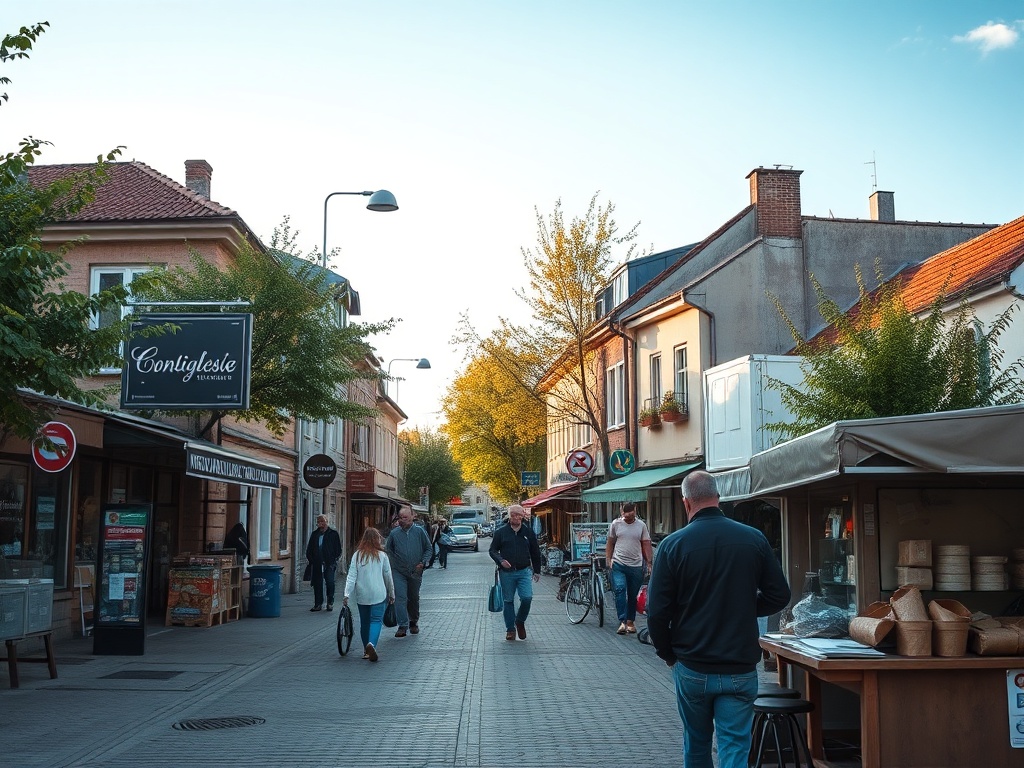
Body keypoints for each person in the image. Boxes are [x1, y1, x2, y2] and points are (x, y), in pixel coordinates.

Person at [647, 471, 791, 768]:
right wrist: (744, 607)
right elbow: (780, 595)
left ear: (685, 502)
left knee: (697, 743)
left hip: (692, 663)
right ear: (719, 498)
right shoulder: (753, 539)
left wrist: (667, 654)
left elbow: (657, 610)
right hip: (739, 664)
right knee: (735, 745)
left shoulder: (672, 546)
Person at [488, 504, 541, 641]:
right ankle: (510, 630)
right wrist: (501, 561)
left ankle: (520, 621)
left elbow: (535, 552)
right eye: (513, 515)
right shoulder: (501, 533)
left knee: (527, 598)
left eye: (518, 515)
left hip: (524, 571)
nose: (516, 517)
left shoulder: (528, 532)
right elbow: (492, 550)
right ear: (509, 516)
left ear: (523, 516)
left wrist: (537, 570)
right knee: (508, 601)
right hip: (507, 573)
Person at [342, 527, 395, 662]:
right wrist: (391, 593)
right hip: (379, 593)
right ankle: (371, 644)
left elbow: (351, 575)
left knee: (365, 622)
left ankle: (366, 651)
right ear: (377, 540)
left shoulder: (357, 555)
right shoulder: (382, 556)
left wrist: (346, 593)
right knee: (376, 620)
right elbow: (388, 576)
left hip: (362, 594)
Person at [605, 501, 653, 635]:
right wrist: (609, 559)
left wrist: (649, 562)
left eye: (629, 514)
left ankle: (631, 621)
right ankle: (622, 621)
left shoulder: (641, 526)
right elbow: (610, 542)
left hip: (636, 565)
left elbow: (646, 544)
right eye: (625, 514)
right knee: (620, 590)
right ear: (621, 512)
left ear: (635, 510)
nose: (627, 517)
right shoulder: (615, 524)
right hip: (619, 563)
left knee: (632, 594)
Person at [384, 507, 432, 637]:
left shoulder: (420, 531)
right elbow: (388, 550)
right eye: (400, 517)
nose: (402, 520)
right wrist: (393, 563)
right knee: (400, 597)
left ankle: (413, 621)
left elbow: (428, 548)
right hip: (399, 571)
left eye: (405, 517)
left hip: (415, 571)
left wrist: (423, 562)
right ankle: (402, 625)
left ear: (412, 517)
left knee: (413, 598)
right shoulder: (394, 534)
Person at [304, 514, 342, 612]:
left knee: (330, 582)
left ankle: (330, 602)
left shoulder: (333, 534)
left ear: (326, 522)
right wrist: (311, 559)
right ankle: (318, 604)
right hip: (317, 563)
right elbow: (310, 548)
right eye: (319, 522)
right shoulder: (315, 534)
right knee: (317, 584)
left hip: (329, 563)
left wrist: (334, 559)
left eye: (322, 522)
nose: (321, 524)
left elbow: (338, 549)